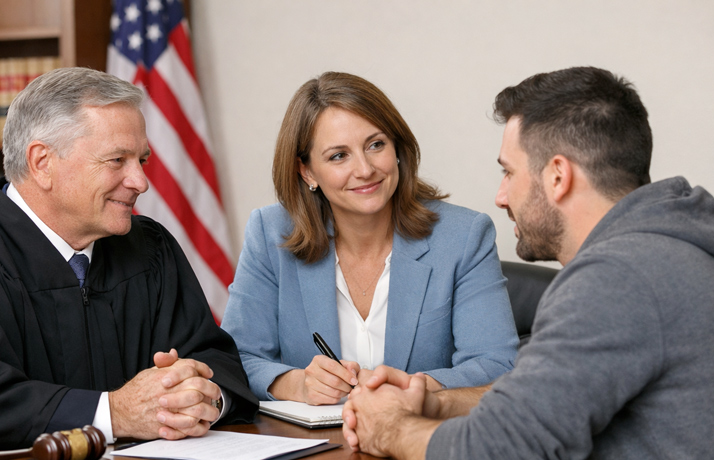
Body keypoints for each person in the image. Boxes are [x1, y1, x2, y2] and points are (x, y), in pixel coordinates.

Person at [341, 66, 714, 460]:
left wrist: (389, 426)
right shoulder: (675, 250)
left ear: (558, 175)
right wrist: (438, 403)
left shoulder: (618, 279)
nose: (501, 197)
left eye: (508, 172)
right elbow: (550, 397)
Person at [0, 67, 258, 454]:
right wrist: (114, 414)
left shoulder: (149, 248)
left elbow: (217, 360)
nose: (141, 182)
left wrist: (198, 396)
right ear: (42, 162)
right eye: (117, 160)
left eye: (141, 160)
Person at [221, 72, 518, 404]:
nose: (364, 170)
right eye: (338, 156)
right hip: (306, 437)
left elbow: (496, 365)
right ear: (307, 171)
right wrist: (297, 384)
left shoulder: (463, 236)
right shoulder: (270, 233)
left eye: (376, 145)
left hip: (420, 432)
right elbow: (235, 357)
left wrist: (409, 388)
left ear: (397, 148)